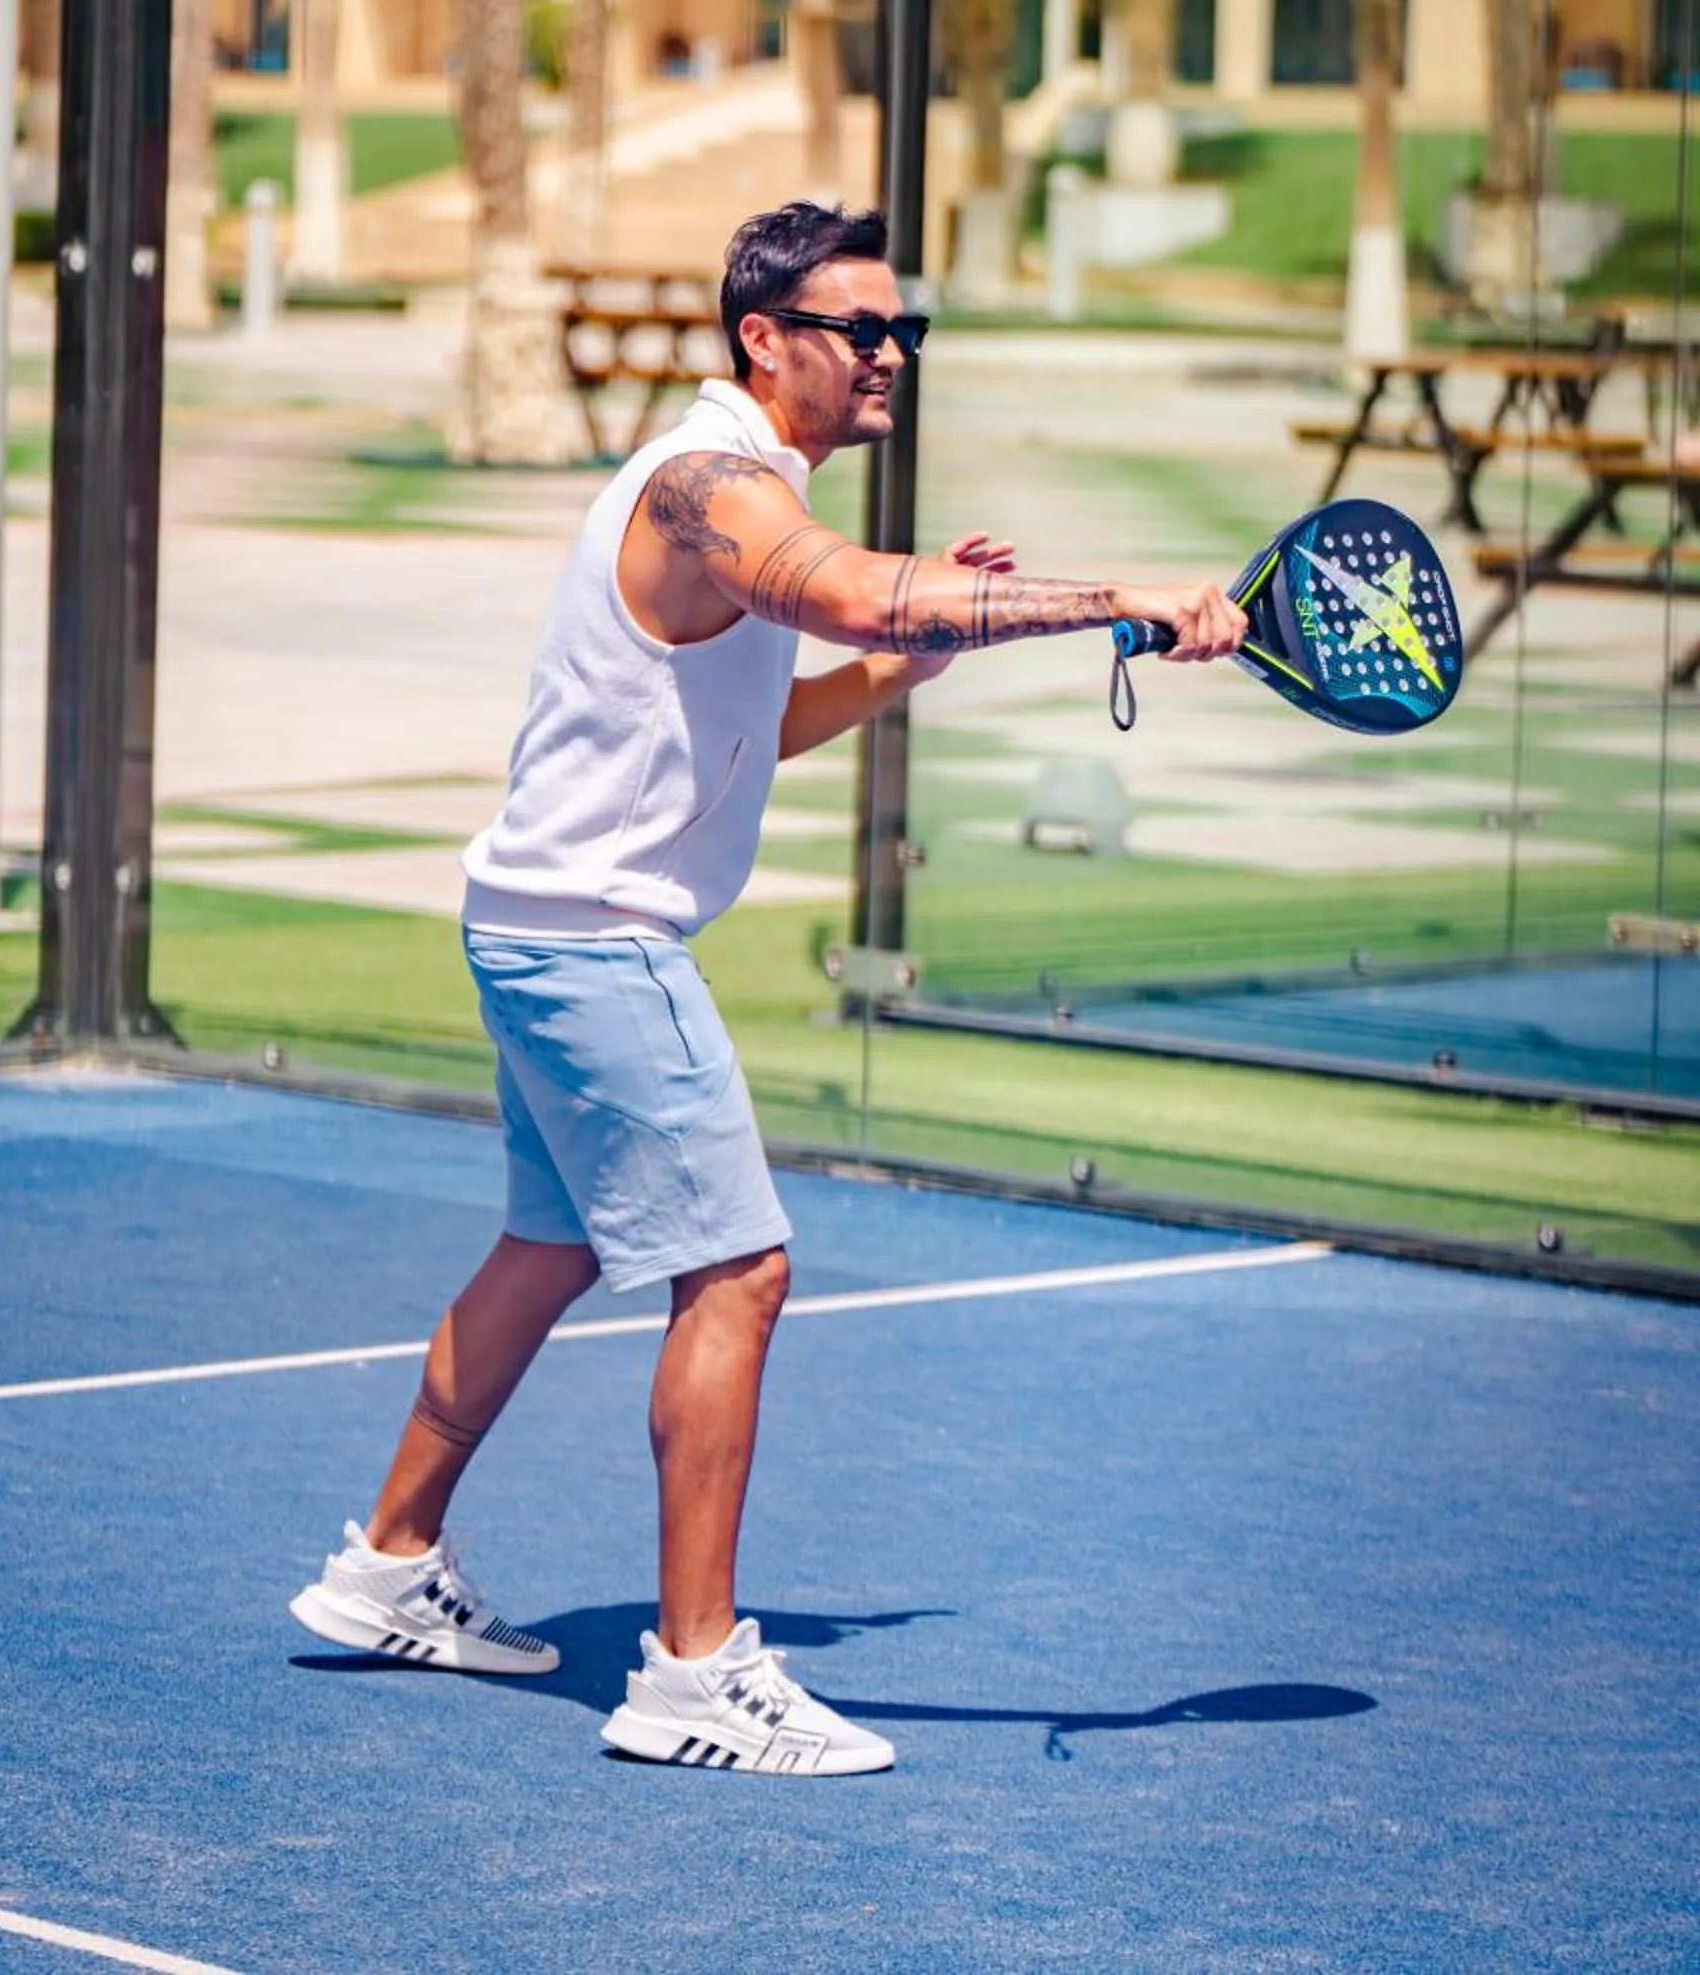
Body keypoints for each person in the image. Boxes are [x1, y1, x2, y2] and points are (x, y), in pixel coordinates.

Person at [290, 200, 1245, 1773]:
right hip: (597, 941)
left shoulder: (738, 499)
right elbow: (862, 590)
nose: (888, 357)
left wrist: (903, 670)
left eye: (903, 333)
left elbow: (757, 715)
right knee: (737, 1275)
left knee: (546, 1250)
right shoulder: (703, 485)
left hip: (532, 924)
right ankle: (692, 1674)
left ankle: (387, 1562)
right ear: (763, 339)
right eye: (859, 331)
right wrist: (1118, 598)